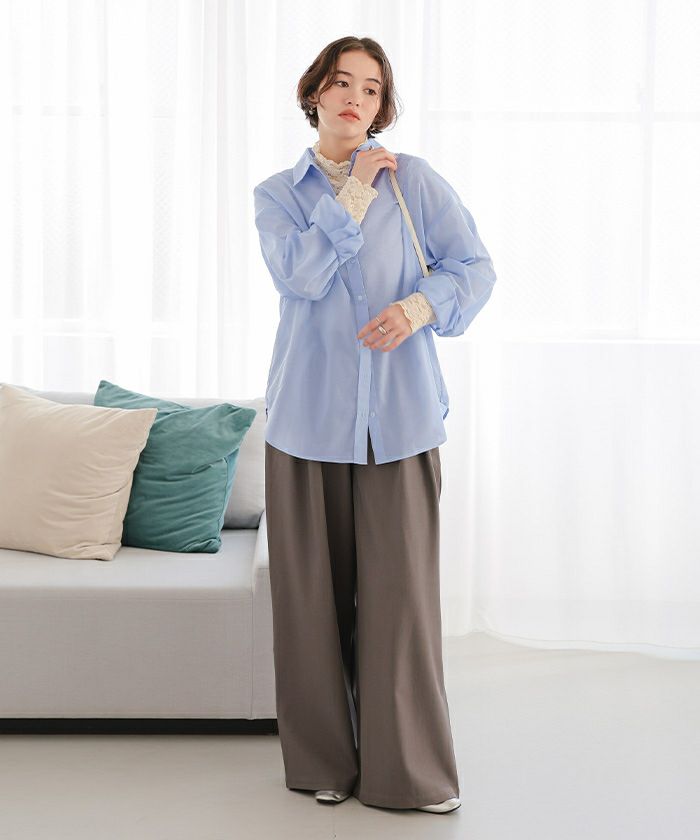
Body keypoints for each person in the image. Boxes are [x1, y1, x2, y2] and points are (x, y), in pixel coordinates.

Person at [253, 35, 496, 814]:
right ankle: (323, 763)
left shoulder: (415, 182)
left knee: (401, 606)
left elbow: (474, 268)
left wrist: (419, 307)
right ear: (314, 94)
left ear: (383, 104)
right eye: (340, 82)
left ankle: (408, 773)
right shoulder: (278, 195)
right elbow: (299, 276)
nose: (355, 97)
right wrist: (354, 192)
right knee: (310, 606)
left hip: (401, 420)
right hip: (306, 424)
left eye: (370, 87)